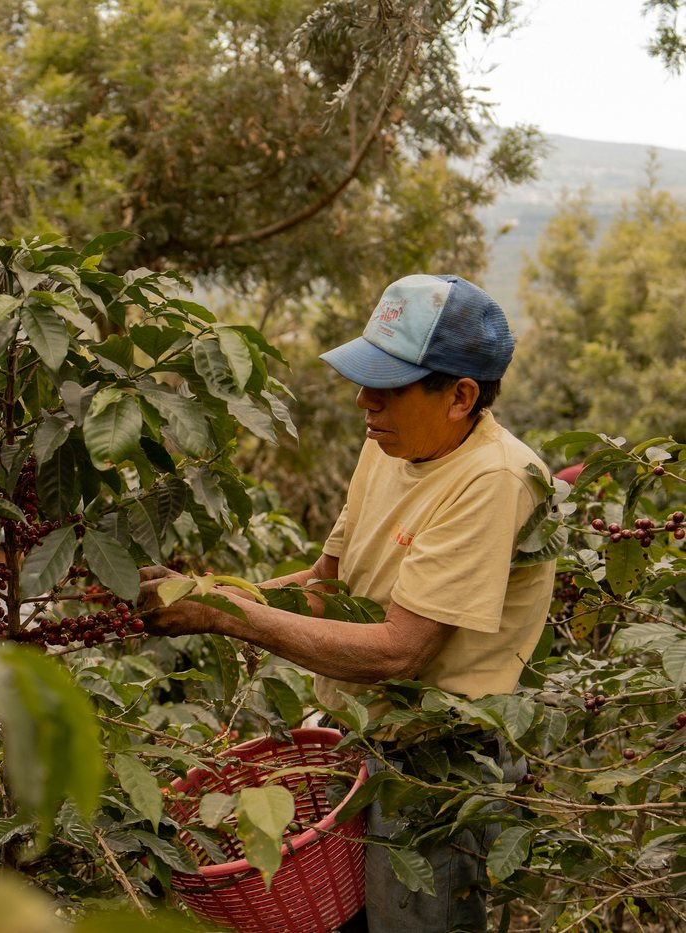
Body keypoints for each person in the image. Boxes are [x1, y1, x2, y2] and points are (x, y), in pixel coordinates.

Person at [138, 274, 556, 933]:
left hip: (435, 755)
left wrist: (222, 615)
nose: (363, 399)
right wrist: (201, 593)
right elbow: (326, 581)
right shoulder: (386, 441)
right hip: (356, 731)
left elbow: (399, 648)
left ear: (460, 395)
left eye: (386, 386)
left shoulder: (494, 479)